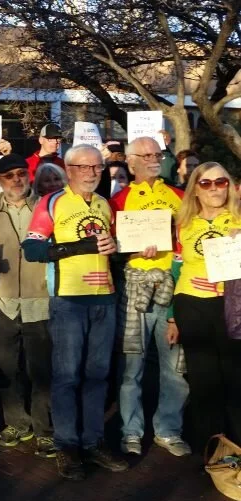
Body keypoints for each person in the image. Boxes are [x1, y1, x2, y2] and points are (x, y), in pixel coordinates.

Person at [22, 144, 128, 481]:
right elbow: (32, 248)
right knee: (67, 376)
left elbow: (115, 244)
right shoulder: (51, 202)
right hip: (69, 299)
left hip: (104, 298)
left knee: (98, 375)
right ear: (69, 170)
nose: (92, 173)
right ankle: (67, 445)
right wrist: (79, 247)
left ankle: (93, 441)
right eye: (84, 167)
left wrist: (117, 248)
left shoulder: (104, 204)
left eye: (97, 167)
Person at [110, 136, 190, 457]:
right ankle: (131, 430)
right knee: (132, 365)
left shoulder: (179, 197)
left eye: (157, 154)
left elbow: (187, 242)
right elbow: (111, 248)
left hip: (171, 284)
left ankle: (169, 429)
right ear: (130, 162)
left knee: (176, 365)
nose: (153, 159)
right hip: (134, 287)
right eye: (145, 155)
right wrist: (127, 249)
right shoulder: (118, 200)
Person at [0, 154, 54, 458]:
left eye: (21, 173)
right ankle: (16, 423)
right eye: (9, 175)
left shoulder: (47, 207)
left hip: (40, 300)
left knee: (41, 370)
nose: (16, 180)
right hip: (3, 299)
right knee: (5, 369)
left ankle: (45, 429)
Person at [167, 162, 241, 452]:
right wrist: (172, 318)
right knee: (203, 380)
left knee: (235, 378)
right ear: (195, 189)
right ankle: (212, 452)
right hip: (192, 304)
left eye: (220, 182)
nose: (214, 189)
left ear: (229, 186)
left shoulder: (238, 220)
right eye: (206, 183)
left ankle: (237, 448)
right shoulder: (183, 223)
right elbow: (175, 270)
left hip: (231, 307)